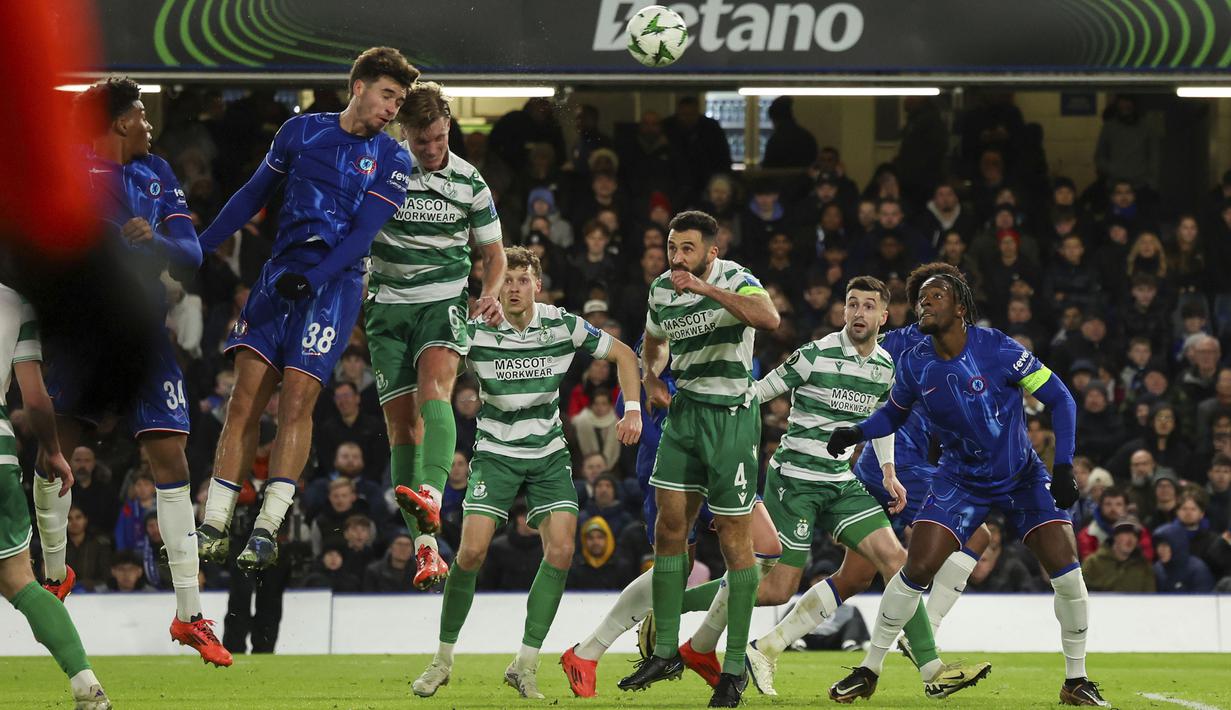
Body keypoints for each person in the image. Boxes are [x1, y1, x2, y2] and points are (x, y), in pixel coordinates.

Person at [825, 270, 1108, 706]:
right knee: (915, 570)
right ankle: (869, 669)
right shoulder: (915, 361)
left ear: (960, 308)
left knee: (1068, 573)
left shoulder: (998, 349)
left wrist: (1065, 464)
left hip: (1021, 477)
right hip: (959, 480)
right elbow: (894, 414)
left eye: (936, 296)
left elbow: (1060, 398)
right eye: (921, 298)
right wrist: (857, 432)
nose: (924, 303)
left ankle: (1076, 680)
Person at [195, 48, 416, 575]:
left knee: (296, 402)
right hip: (279, 276)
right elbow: (251, 195)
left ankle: (267, 528)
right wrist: (200, 247)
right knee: (244, 401)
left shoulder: (393, 158)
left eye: (399, 102)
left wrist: (314, 279)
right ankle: (215, 524)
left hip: (333, 287)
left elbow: (363, 235)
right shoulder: (299, 132)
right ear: (358, 86)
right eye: (388, 95)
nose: (392, 109)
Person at [39, 77, 226, 667]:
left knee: (173, 459)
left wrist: (152, 244)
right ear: (120, 121)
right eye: (142, 114)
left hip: (144, 333)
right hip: (83, 332)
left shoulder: (157, 172)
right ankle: (53, 575)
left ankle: (189, 614)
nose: (149, 124)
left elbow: (191, 253)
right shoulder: (69, 168)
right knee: (53, 452)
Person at [742, 275, 989, 700]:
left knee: (862, 574)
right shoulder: (888, 343)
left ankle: (771, 647)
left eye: (868, 306)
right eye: (853, 305)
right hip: (808, 477)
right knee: (974, 532)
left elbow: (882, 414)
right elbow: (757, 394)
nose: (934, 305)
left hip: (856, 475)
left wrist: (891, 470)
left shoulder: (905, 356)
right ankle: (924, 633)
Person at [411, 246, 642, 700]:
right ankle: (442, 661)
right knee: (470, 554)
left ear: (537, 284)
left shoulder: (561, 324)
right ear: (495, 285)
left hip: (548, 456)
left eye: (522, 280)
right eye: (507, 280)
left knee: (562, 551)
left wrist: (631, 409)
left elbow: (625, 356)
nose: (514, 289)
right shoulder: (477, 327)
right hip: (495, 454)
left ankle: (525, 664)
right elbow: (436, 371)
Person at [611, 210, 779, 708]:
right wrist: (651, 376)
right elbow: (654, 341)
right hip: (684, 414)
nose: (677, 257)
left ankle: (733, 669)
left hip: (731, 419)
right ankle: (665, 652)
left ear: (711, 251)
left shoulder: (737, 278)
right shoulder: (661, 289)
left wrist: (706, 290)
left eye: (688, 248)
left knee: (734, 539)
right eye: (672, 247)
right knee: (669, 529)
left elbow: (769, 319)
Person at [365, 81, 507, 590]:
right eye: (421, 140)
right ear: (404, 132)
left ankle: (431, 493)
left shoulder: (470, 181)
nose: (431, 148)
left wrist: (489, 292)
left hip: (442, 301)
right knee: (402, 430)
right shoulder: (383, 167)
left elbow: (494, 254)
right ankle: (427, 551)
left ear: (449, 127)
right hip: (387, 308)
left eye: (439, 138)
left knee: (435, 391)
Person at [0, 280, 111, 707]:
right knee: (19, 579)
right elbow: (35, 398)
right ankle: (87, 685)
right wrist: (52, 451)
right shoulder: (16, 303)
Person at [1081, 516, 1155, 592]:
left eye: (1135, 535)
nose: (1130, 539)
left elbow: (1150, 596)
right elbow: (1080, 592)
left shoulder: (1144, 568)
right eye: (1126, 533)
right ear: (1115, 536)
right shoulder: (1093, 563)